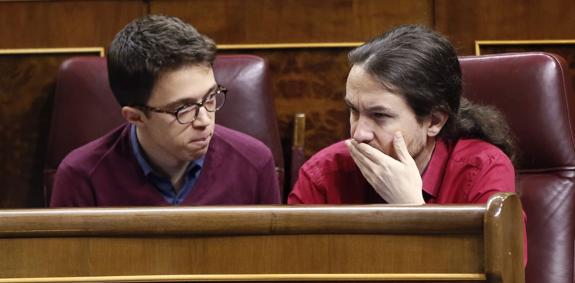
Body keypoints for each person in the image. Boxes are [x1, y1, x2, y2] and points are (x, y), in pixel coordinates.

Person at [50, 15, 280, 207]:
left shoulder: (254, 163)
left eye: (210, 97)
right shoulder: (81, 177)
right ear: (135, 117)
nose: (204, 120)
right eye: (183, 108)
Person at [288, 25, 518, 206]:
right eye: (353, 111)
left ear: (434, 121)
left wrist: (412, 208)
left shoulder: (482, 169)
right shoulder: (324, 173)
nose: (358, 134)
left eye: (379, 115)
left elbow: (500, 266)